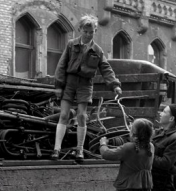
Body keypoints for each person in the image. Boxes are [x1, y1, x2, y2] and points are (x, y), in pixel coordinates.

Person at [51, 14, 122, 162]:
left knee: (82, 116)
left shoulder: (97, 50)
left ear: (95, 31)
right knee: (64, 115)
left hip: (85, 84)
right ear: (80, 30)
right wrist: (58, 86)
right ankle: (56, 149)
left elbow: (106, 69)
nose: (88, 35)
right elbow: (61, 65)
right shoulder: (71, 45)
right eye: (86, 31)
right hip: (69, 83)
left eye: (92, 32)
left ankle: (79, 150)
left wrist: (114, 85)